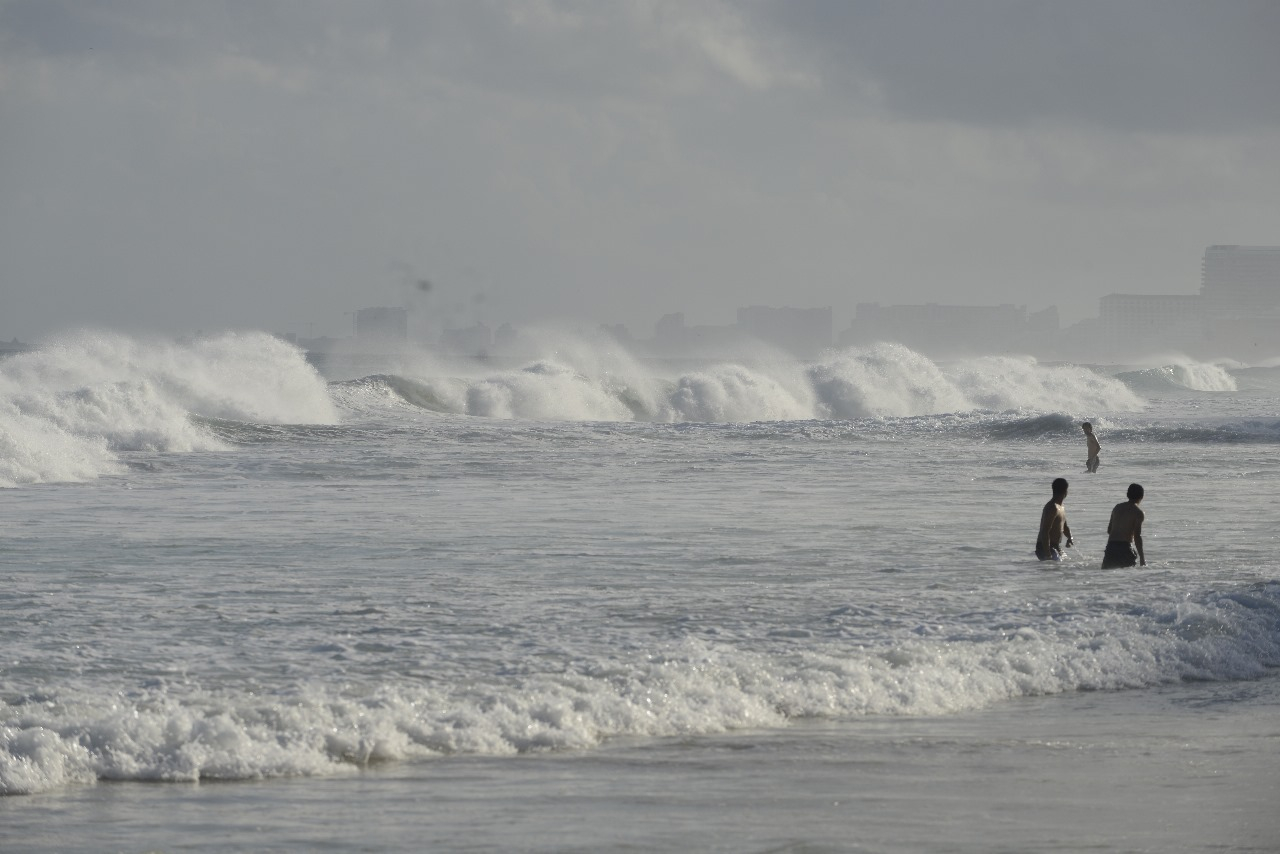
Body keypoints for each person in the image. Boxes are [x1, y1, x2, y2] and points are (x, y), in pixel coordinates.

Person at [1101, 483, 1146, 568]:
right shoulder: (1138, 512)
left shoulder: (1117, 507)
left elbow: (1109, 530)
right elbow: (1137, 536)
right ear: (1141, 496)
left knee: (1106, 577)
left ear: (1127, 494)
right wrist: (1142, 558)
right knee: (1127, 578)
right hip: (1125, 548)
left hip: (1111, 547)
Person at [1035, 477, 1072, 561]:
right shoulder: (1052, 507)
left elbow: (1065, 527)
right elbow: (1045, 531)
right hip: (1044, 547)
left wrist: (1070, 538)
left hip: (1056, 546)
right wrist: (1048, 554)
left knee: (1067, 563)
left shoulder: (1061, 507)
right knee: (1055, 567)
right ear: (1065, 491)